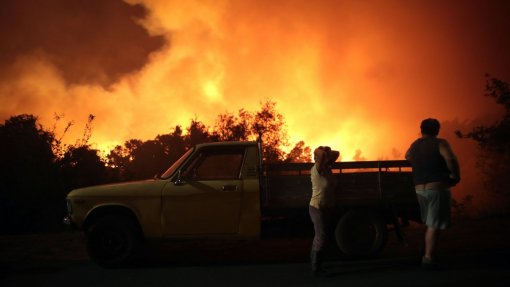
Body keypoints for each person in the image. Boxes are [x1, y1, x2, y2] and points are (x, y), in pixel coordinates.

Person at [405, 118, 460, 270]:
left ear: (421, 129)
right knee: (434, 224)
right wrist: (455, 175)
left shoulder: (414, 145)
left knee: (431, 223)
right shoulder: (440, 143)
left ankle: (428, 253)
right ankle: (428, 258)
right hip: (437, 188)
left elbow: (407, 156)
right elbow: (450, 158)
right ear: (437, 130)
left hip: (419, 189)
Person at [309, 146, 339, 276]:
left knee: (321, 235)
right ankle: (316, 268)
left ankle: (316, 262)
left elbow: (337, 153)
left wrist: (328, 153)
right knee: (321, 236)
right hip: (317, 207)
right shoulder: (317, 169)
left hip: (328, 208)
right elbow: (320, 154)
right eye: (324, 156)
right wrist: (322, 150)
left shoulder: (327, 169)